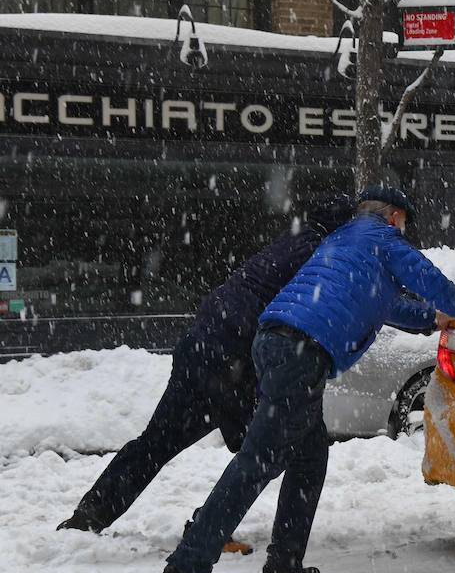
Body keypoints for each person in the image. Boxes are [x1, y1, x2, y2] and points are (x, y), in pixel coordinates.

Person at [155, 185, 455, 573]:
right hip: (300, 350)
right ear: (395, 216)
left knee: (309, 456)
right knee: (259, 460)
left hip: (275, 340)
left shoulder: (344, 241)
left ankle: (284, 566)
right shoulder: (383, 239)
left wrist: (433, 320)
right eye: (405, 222)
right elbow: (431, 281)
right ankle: (189, 565)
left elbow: (383, 305)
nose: (405, 230)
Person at [57, 194, 356, 546]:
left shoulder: (290, 241)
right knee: (268, 449)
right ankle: (207, 528)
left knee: (157, 441)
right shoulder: (320, 257)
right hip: (234, 358)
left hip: (201, 344)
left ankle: (89, 515)